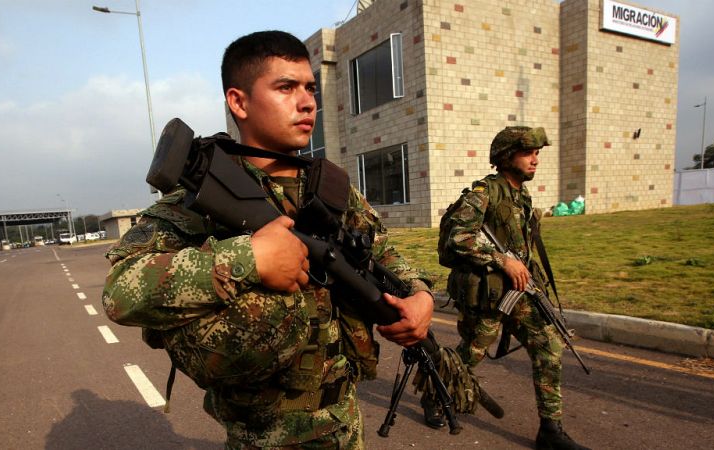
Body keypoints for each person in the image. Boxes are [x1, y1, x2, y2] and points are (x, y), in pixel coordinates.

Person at [102, 30, 434, 449]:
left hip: (345, 423)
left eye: (310, 88)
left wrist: (419, 295)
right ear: (238, 102)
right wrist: (249, 257)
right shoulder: (198, 200)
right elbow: (120, 291)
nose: (307, 101)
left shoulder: (332, 189)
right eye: (286, 87)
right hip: (264, 437)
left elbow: (383, 253)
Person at [429, 126, 589, 449]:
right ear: (506, 157)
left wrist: (534, 282)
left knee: (549, 345)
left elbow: (524, 250)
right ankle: (437, 393)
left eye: (537, 154)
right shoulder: (483, 194)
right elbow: (456, 239)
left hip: (518, 293)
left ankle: (550, 431)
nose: (535, 160)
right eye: (528, 153)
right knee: (473, 353)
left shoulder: (521, 197)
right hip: (489, 294)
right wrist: (501, 260)